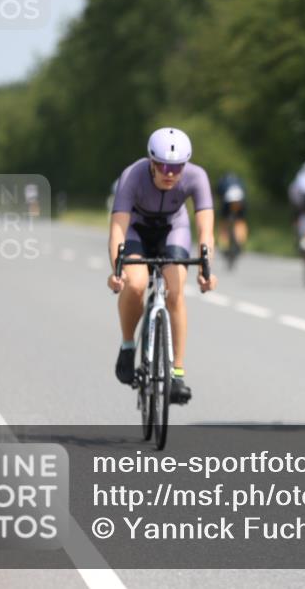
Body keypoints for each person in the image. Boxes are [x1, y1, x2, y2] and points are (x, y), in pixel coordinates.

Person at [107, 127, 217, 404]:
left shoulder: (197, 176)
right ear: (151, 163)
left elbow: (206, 231)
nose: (170, 173)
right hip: (136, 230)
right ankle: (128, 345)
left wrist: (206, 271)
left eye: (177, 167)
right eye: (163, 166)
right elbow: (118, 229)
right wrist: (116, 271)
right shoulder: (132, 176)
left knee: (176, 291)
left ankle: (177, 374)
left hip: (173, 229)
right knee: (136, 284)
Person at [216, 172, 248, 266]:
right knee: (240, 222)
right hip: (240, 201)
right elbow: (245, 191)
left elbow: (219, 194)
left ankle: (223, 244)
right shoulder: (239, 181)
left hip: (227, 202)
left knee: (224, 222)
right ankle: (240, 242)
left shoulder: (222, 181)